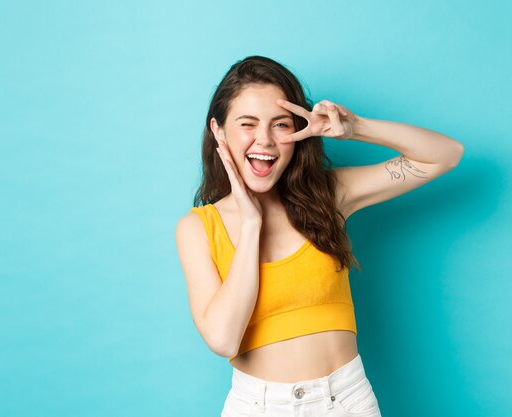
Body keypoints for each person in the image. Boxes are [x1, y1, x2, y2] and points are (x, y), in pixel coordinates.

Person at [175, 55, 464, 417]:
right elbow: (223, 339)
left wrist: (355, 127)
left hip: (346, 400)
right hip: (259, 406)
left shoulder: (328, 196)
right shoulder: (199, 227)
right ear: (218, 131)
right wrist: (251, 225)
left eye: (280, 124)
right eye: (247, 123)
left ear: (299, 131)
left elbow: (445, 155)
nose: (264, 139)